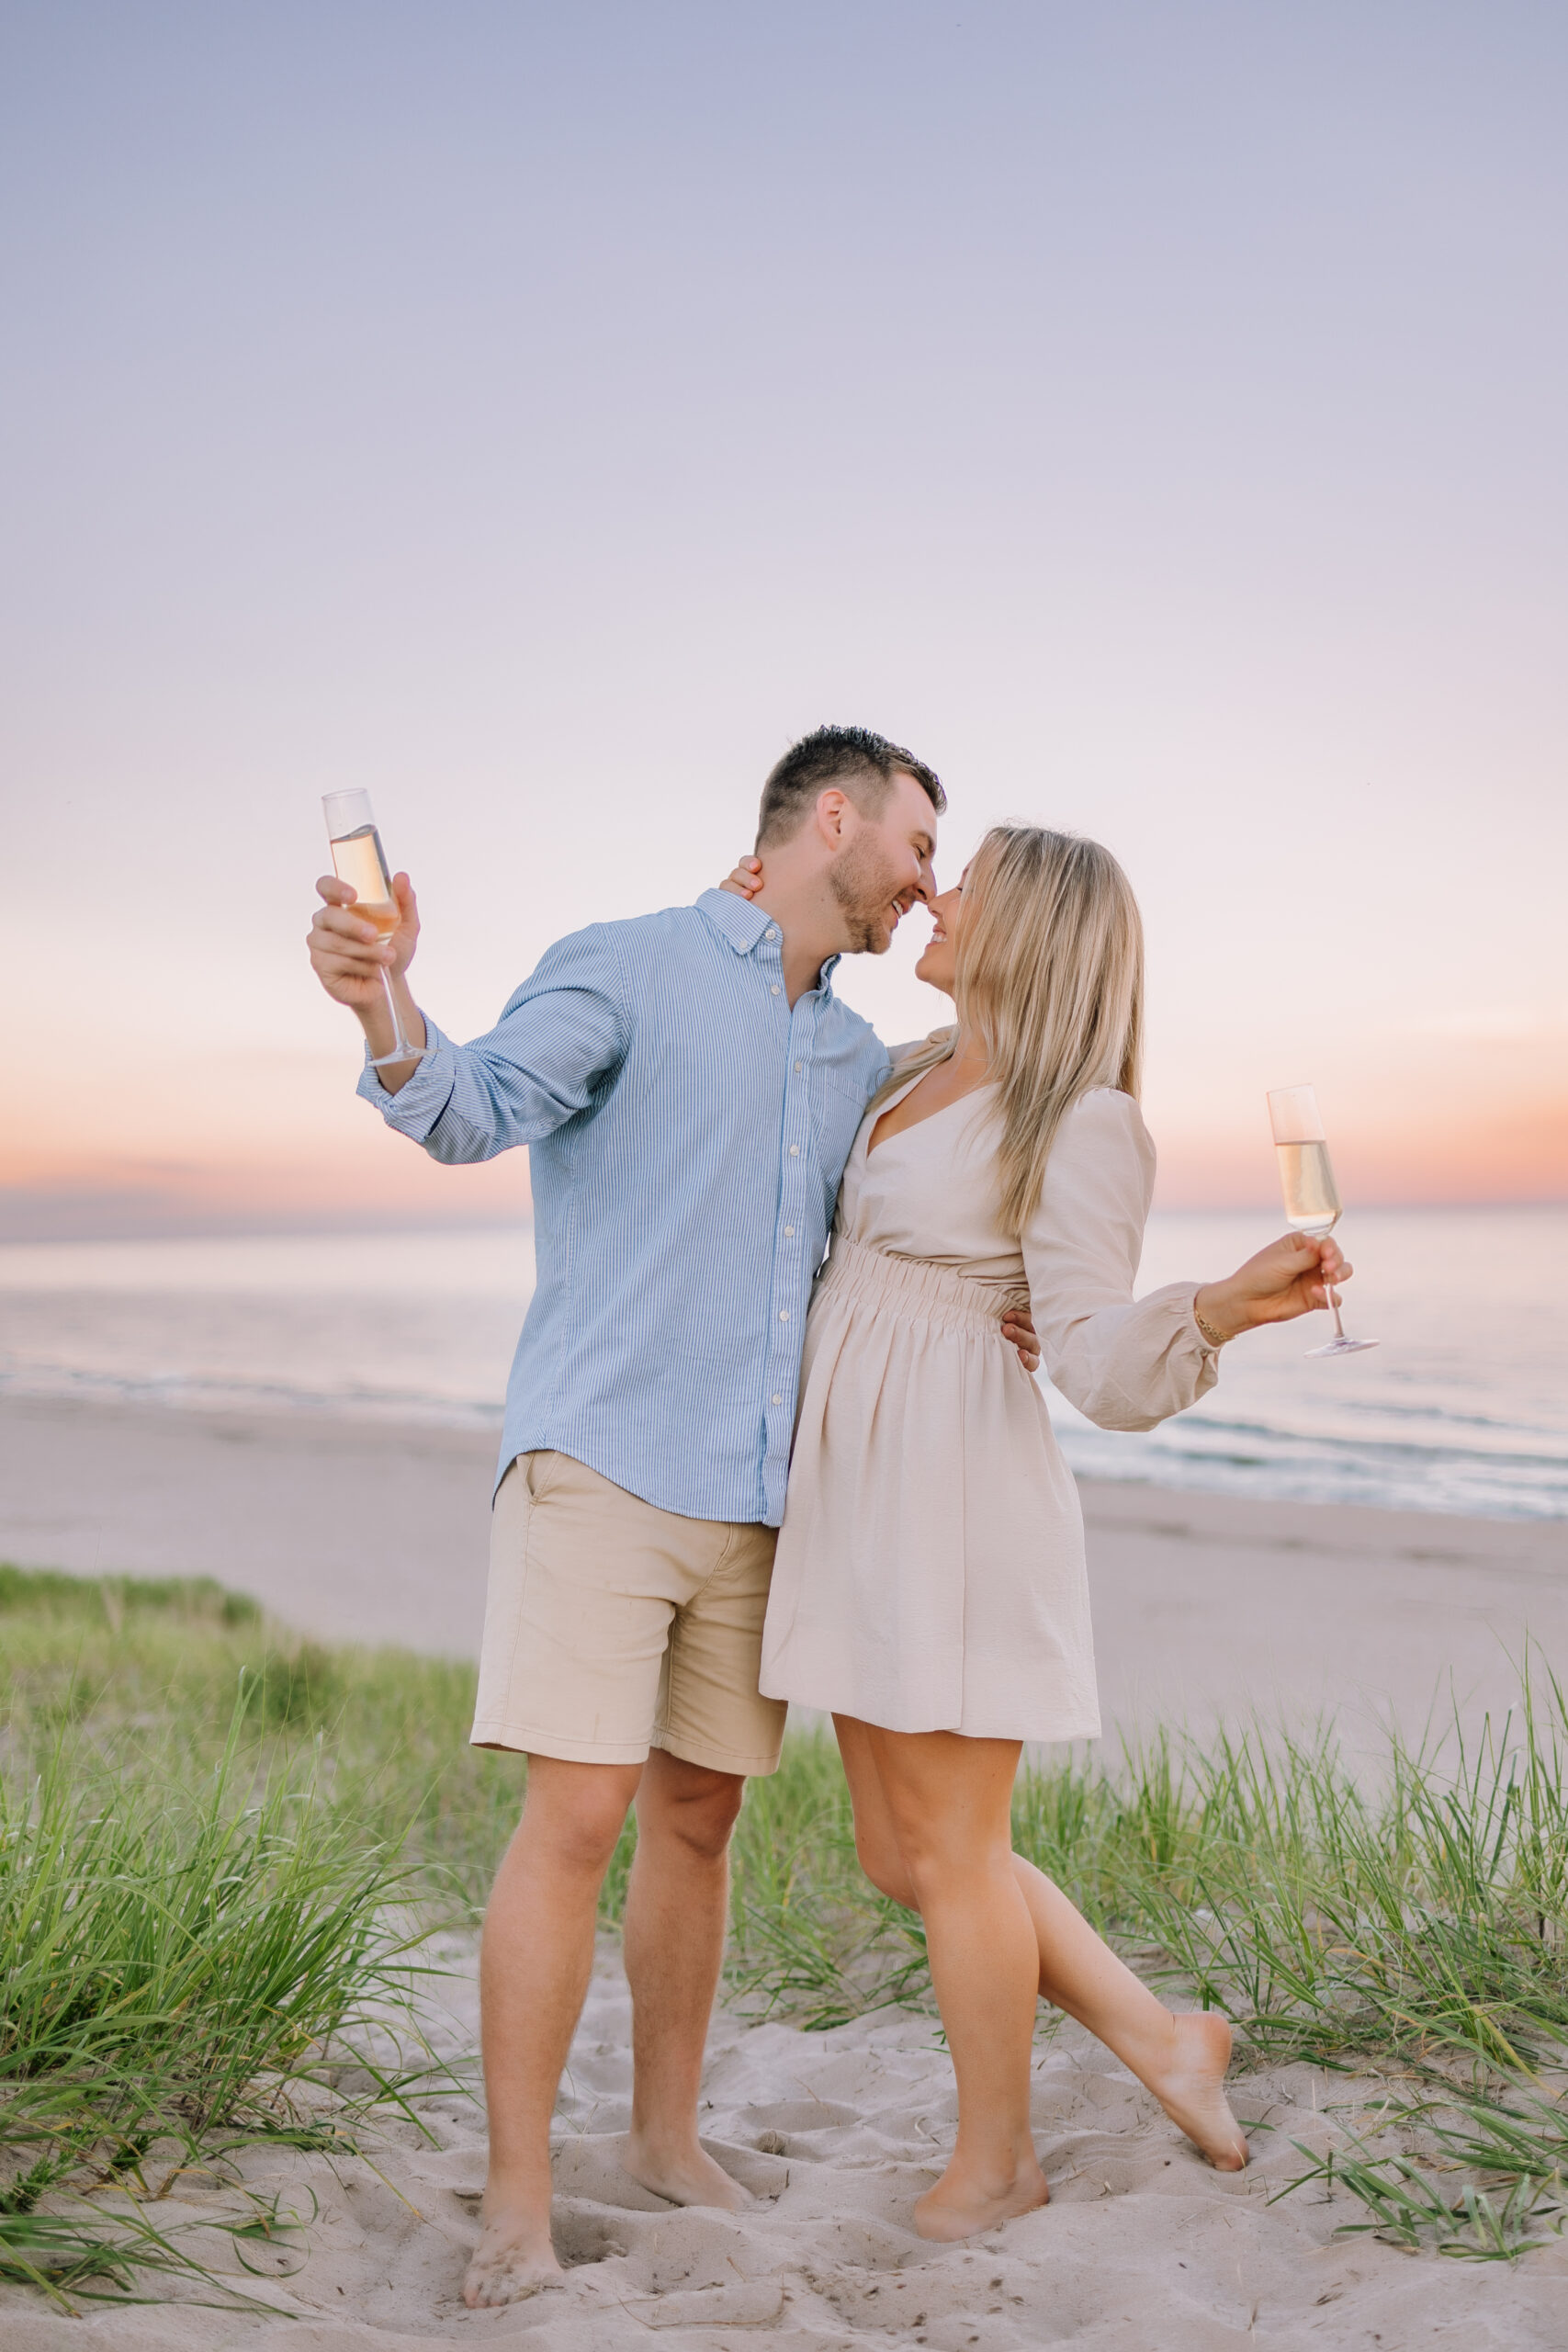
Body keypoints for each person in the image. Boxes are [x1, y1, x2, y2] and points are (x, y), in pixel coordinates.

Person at [304, 727, 1039, 2307]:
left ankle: (659, 2140)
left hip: (763, 1505)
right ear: (827, 819)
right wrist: (381, 999)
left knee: (698, 1823)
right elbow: (467, 1108)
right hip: (604, 1464)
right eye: (915, 847)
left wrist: (1023, 1301)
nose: (925, 887)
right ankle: (515, 2198)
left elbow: (908, 1232)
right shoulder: (627, 966)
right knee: (573, 1824)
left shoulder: (858, 1060)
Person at [727, 824, 1352, 2241]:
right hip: (860, 1488)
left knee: (954, 1852)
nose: (938, 896)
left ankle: (998, 2162)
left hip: (951, 1497)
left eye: (971, 881)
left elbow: (1086, 1352)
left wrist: (1218, 1307)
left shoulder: (1085, 1121)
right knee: (907, 1856)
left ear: (1037, 930)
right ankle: (1166, 2036)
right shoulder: (906, 1070)